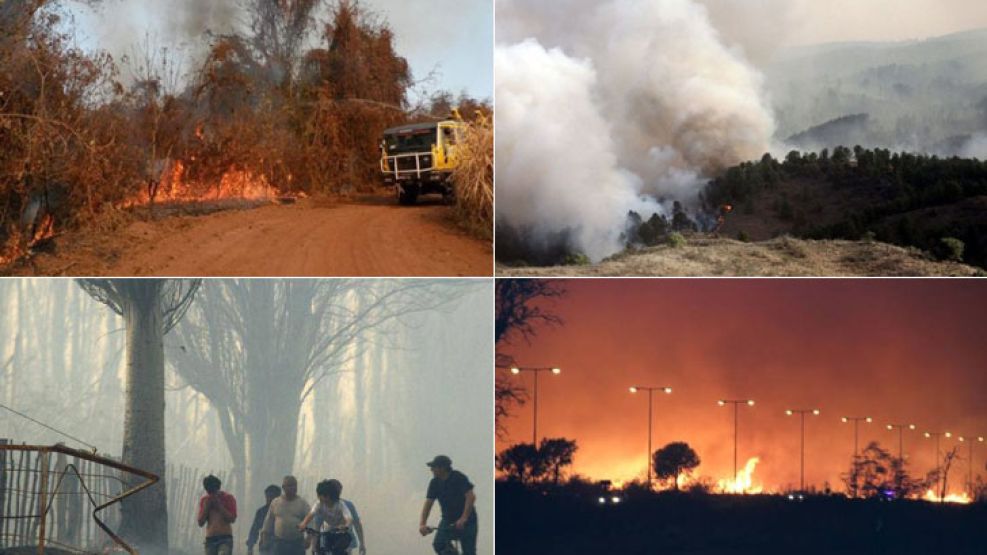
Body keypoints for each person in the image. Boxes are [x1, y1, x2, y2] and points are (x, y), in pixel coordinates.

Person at [418, 455, 477, 555]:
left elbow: (470, 497)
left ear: (443, 468)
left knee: (469, 551)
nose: (431, 469)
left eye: (434, 467)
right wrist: (422, 524)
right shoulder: (434, 483)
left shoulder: (458, 477)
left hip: (468, 519)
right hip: (448, 519)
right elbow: (428, 504)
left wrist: (463, 518)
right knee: (439, 544)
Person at [309, 479, 366, 555]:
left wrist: (362, 544)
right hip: (329, 540)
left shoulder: (347, 505)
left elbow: (357, 524)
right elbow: (316, 527)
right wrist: (313, 546)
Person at [298, 479, 352, 555]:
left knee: (338, 551)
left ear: (328, 496)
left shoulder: (340, 504)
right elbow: (311, 514)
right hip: (328, 530)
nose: (318, 497)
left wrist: (346, 526)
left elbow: (349, 518)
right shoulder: (319, 504)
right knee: (320, 549)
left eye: (320, 495)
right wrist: (304, 524)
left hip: (341, 532)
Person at [262, 475, 310, 555]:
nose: (292, 488)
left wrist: (309, 538)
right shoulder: (276, 502)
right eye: (290, 486)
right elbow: (268, 521)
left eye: (294, 485)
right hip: (279, 543)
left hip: (297, 543)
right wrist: (264, 537)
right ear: (283, 487)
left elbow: (310, 521)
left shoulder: (302, 503)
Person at [197, 475, 238, 555]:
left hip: (225, 539)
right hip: (210, 539)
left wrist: (219, 506)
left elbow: (232, 519)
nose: (211, 494)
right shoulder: (205, 500)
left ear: (218, 488)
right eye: (209, 492)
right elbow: (200, 522)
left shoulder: (228, 498)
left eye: (213, 491)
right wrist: (207, 508)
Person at [247, 484, 282, 555]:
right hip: (266, 545)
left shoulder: (283, 511)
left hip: (281, 545)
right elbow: (254, 529)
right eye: (268, 496)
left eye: (272, 497)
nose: (269, 499)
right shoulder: (261, 512)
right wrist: (250, 547)